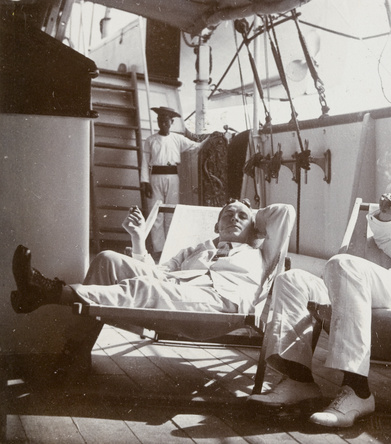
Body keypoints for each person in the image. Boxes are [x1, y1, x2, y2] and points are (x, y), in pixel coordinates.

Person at [248, 171, 391, 428]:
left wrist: (359, 283)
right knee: (292, 280)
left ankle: (357, 390)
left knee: (344, 265)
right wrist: (387, 216)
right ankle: (298, 378)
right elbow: (388, 239)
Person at [11, 198, 295, 325]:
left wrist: (248, 214)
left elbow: (284, 212)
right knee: (107, 259)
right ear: (216, 225)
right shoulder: (196, 250)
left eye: (242, 217)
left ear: (255, 228)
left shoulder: (260, 253)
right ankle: (77, 351)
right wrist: (137, 239)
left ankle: (48, 292)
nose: (234, 218)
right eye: (227, 215)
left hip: (223, 303)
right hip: (176, 289)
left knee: (146, 288)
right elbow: (157, 272)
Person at [141, 106, 205, 256]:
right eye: (159, 120)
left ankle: (169, 247)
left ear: (171, 122)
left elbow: (196, 146)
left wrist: (211, 139)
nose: (162, 123)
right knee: (156, 212)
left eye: (165, 121)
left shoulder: (178, 139)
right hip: (155, 177)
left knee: (171, 211)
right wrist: (144, 182)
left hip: (172, 178)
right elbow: (145, 161)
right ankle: (158, 249)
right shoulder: (150, 140)